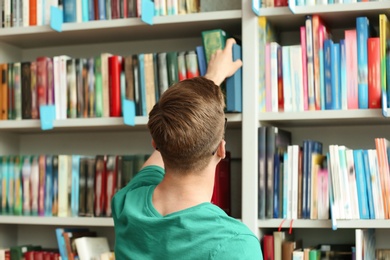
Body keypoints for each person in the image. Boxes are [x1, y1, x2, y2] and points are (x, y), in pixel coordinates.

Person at [112, 38, 263, 259]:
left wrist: (211, 81)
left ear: (156, 145)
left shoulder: (128, 202)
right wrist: (213, 80)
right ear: (221, 150)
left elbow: (168, 139)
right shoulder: (235, 244)